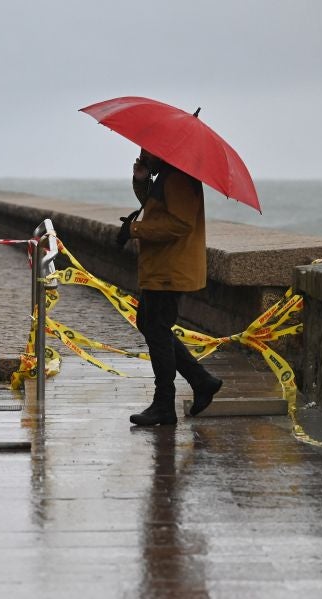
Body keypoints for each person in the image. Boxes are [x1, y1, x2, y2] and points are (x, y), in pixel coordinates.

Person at [116, 149, 222, 426]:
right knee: (151, 325)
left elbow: (179, 223)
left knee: (156, 328)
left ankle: (165, 403)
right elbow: (158, 209)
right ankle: (201, 380)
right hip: (161, 267)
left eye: (146, 151)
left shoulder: (177, 179)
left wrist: (134, 230)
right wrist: (142, 181)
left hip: (170, 269)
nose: (142, 154)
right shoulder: (167, 175)